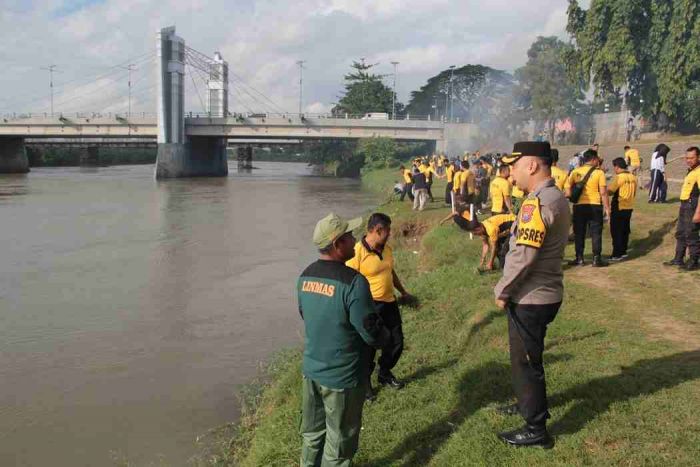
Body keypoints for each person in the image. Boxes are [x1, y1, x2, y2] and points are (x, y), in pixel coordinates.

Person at [494, 141, 570, 449]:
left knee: (526, 362)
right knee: (528, 358)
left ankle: (536, 429)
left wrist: (502, 289)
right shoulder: (555, 197)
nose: (510, 173)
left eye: (514, 166)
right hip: (546, 292)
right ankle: (526, 403)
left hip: (531, 297)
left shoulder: (536, 203)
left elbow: (524, 255)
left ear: (532, 165)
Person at [298, 213, 389, 467]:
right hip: (343, 377)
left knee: (312, 435)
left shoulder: (305, 276)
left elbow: (306, 315)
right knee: (339, 443)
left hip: (312, 372)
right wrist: (387, 338)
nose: (354, 240)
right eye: (349, 237)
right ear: (338, 245)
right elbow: (370, 331)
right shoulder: (354, 282)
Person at [346, 213, 413, 400]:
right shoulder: (357, 251)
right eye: (387, 231)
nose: (390, 234)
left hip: (389, 302)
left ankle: (384, 373)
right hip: (370, 306)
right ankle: (365, 384)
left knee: (396, 341)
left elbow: (390, 271)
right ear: (377, 230)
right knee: (369, 347)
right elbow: (349, 280)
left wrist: (403, 292)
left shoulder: (387, 249)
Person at [565, 149, 611, 267]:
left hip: (579, 207)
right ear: (594, 159)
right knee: (596, 232)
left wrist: (572, 197)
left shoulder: (575, 172)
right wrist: (607, 208)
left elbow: (568, 189)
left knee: (579, 232)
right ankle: (596, 259)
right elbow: (603, 193)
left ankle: (579, 258)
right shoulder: (599, 173)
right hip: (595, 206)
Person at [663, 147, 700, 270]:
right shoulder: (691, 170)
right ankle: (678, 259)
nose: (688, 160)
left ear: (698, 157)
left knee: (691, 234)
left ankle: (694, 261)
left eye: (691, 158)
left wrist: (698, 213)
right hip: (685, 204)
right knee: (681, 232)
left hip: (692, 205)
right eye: (687, 158)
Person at [608, 158, 638, 261]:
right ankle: (623, 251)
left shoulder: (619, 177)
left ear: (616, 166)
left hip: (619, 206)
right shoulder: (633, 177)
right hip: (629, 207)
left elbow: (611, 191)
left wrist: (602, 191)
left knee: (616, 231)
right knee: (625, 230)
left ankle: (616, 254)